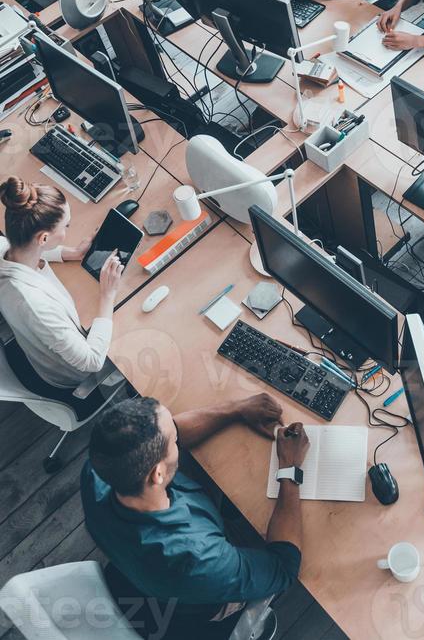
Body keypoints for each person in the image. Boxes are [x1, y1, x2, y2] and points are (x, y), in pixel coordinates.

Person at [81, 394, 308, 639]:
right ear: (157, 474)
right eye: (174, 440)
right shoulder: (198, 557)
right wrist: (290, 467)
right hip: (195, 604)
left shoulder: (98, 472)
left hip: (136, 571)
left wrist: (237, 407)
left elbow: (170, 432)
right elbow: (283, 568)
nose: (178, 435)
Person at [0, 177, 123, 401]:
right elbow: (92, 360)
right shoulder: (33, 305)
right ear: (44, 238)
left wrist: (72, 253)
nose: (68, 229)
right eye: (66, 226)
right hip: (69, 375)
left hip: (36, 346)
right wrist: (107, 295)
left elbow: (22, 247)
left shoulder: (8, 247)